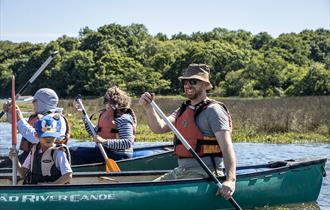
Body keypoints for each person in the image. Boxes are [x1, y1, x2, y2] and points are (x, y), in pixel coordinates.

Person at [139, 64, 237, 200]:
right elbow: (159, 128)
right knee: (146, 194)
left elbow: (227, 148)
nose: (188, 85)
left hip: (205, 173)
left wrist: (230, 180)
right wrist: (149, 108)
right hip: (181, 170)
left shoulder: (214, 111)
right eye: (185, 82)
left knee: (155, 197)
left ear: (204, 85)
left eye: (193, 81)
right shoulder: (183, 109)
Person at [1, 88, 70, 168]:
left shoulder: (54, 119)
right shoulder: (42, 117)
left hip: (46, 160)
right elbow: (18, 123)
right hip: (33, 156)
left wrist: (20, 119)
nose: (32, 102)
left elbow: (36, 138)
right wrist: (10, 111)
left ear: (43, 102)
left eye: (35, 100)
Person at [70, 86, 137, 165]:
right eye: (107, 103)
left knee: (74, 153)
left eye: (109, 103)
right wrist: (82, 114)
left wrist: (104, 141)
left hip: (119, 155)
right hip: (104, 151)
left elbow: (128, 142)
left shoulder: (123, 118)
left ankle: (81, 173)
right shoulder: (107, 116)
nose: (106, 106)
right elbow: (94, 132)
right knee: (71, 150)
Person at [8, 115, 72, 184]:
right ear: (36, 135)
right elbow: (23, 174)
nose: (49, 139)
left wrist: (51, 186)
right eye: (45, 136)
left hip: (52, 191)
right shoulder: (34, 150)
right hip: (35, 190)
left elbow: (68, 175)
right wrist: (15, 160)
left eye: (52, 136)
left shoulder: (59, 152)